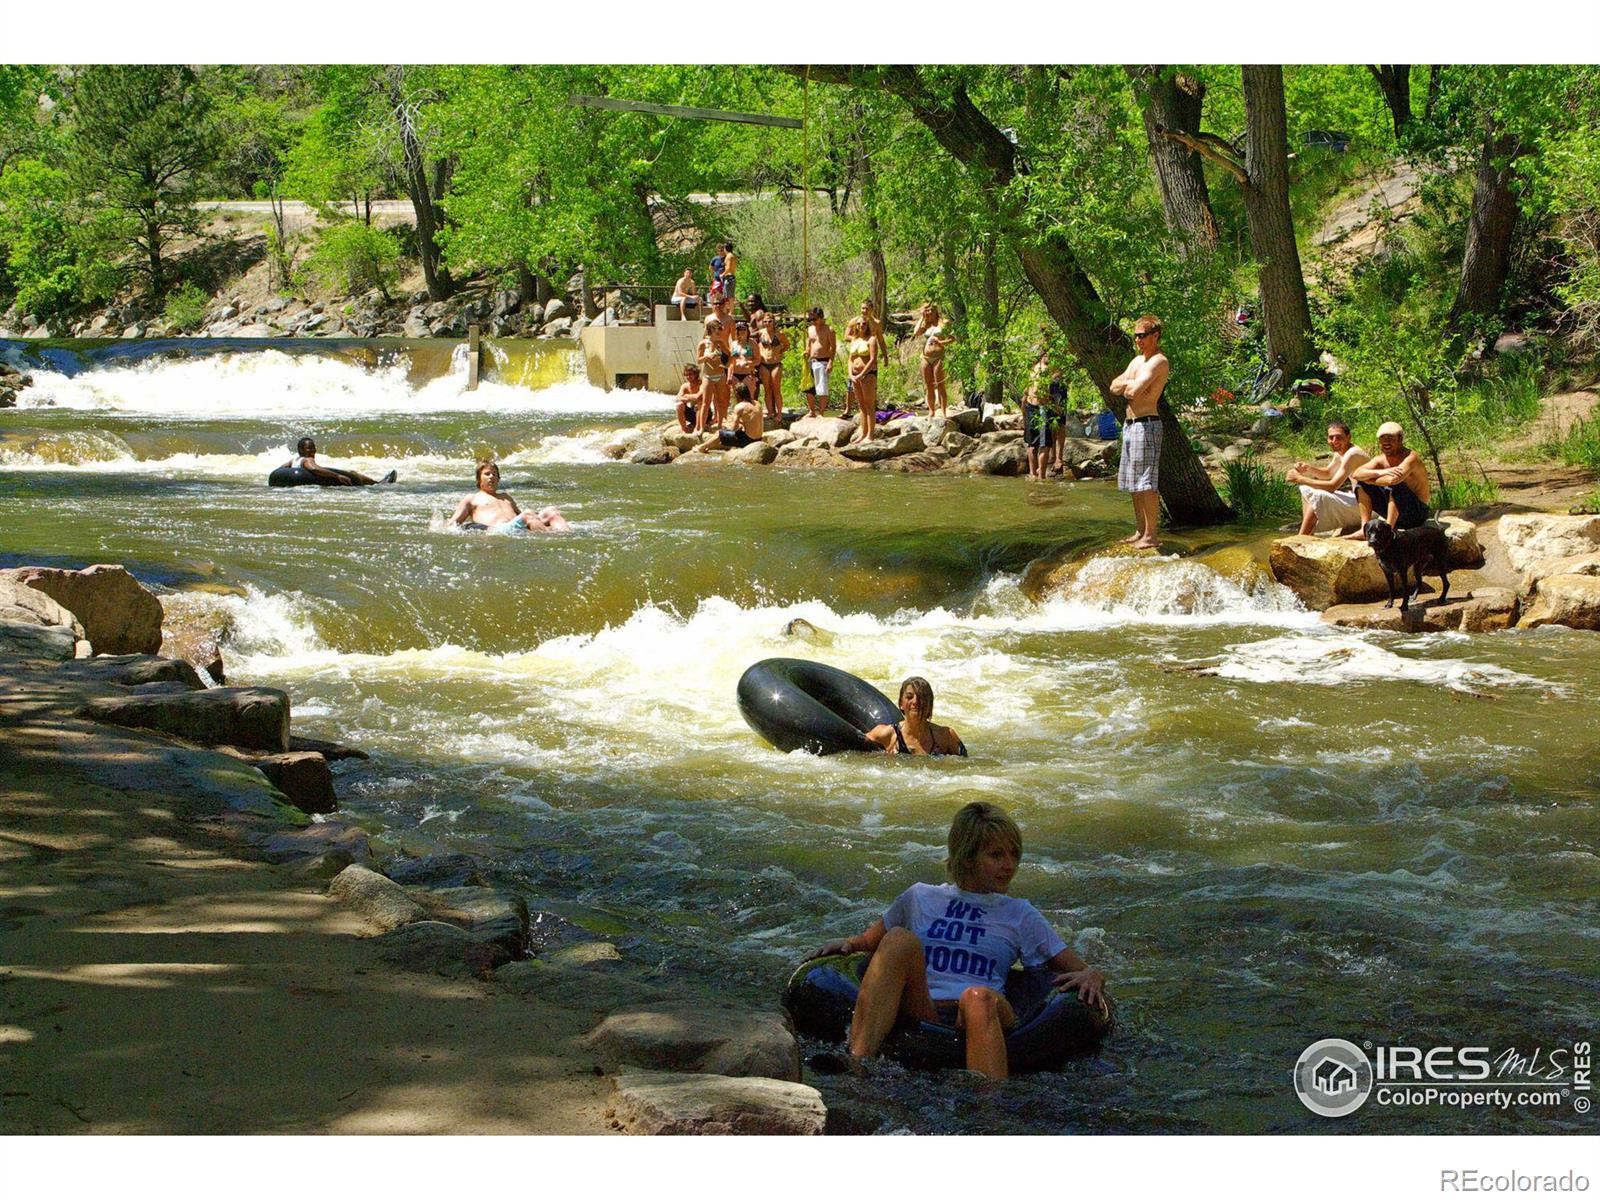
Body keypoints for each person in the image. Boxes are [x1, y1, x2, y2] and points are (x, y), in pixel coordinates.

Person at [803, 800, 1107, 1080]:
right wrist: (847, 946)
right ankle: (856, 1063)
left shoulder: (1019, 914)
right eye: (996, 855)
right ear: (968, 856)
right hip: (926, 1009)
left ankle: (989, 1113)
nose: (1009, 865)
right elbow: (869, 943)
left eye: (1014, 854)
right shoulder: (920, 896)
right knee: (898, 939)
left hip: (983, 1012)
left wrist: (1094, 975)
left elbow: (1078, 969)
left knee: (976, 998)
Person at [1108, 315, 1170, 550]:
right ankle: (1140, 530)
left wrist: (1130, 386)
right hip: (1131, 424)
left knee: (1146, 481)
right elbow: (1115, 385)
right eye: (1135, 336)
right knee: (1133, 481)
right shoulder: (1136, 362)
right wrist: (1130, 385)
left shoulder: (1158, 361)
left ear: (1155, 335)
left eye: (1142, 336)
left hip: (1147, 424)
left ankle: (1151, 535)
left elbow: (1134, 390)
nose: (1138, 340)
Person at [1286, 421, 1370, 536]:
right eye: (1331, 437)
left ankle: (1301, 537)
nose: (1334, 441)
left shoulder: (1353, 454)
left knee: (1319, 496)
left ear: (1348, 437)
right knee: (1306, 490)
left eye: (1338, 437)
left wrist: (1299, 479)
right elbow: (1328, 473)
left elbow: (1332, 486)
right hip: (1356, 500)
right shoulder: (1341, 452)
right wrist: (1308, 468)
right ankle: (1308, 534)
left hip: (1368, 507)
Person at [1348, 420, 1431, 533]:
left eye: (1390, 438)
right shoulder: (1380, 459)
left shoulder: (1411, 457)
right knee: (1362, 484)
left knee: (1395, 485)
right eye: (1383, 438)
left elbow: (1393, 480)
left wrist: (1371, 480)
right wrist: (1381, 472)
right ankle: (1365, 529)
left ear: (1400, 439)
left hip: (1416, 513)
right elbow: (1356, 473)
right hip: (1397, 513)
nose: (1386, 442)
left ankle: (1387, 530)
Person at [449, 460, 569, 533]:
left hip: (516, 528)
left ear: (498, 479)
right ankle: (550, 537)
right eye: (487, 474)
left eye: (494, 474)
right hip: (497, 530)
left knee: (551, 511)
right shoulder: (472, 498)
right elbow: (453, 523)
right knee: (528, 514)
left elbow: (520, 515)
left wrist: (542, 517)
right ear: (478, 479)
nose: (491, 477)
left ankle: (567, 536)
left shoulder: (505, 496)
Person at [865, 675, 967, 757]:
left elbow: (965, 767)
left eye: (921, 698)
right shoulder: (888, 734)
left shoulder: (946, 736)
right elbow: (856, 747)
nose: (915, 702)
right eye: (909, 697)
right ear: (901, 703)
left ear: (929, 704)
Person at [282, 437, 394, 486]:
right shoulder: (307, 460)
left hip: (302, 480)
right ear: (300, 450)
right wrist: (337, 476)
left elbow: (281, 469)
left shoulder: (293, 461)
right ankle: (378, 483)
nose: (313, 451)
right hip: (319, 478)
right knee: (352, 474)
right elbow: (314, 468)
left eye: (314, 447)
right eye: (309, 448)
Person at [691, 383, 765, 452]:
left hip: (749, 440)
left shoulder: (740, 407)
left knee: (719, 433)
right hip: (759, 438)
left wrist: (726, 427)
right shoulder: (757, 403)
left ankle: (702, 447)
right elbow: (752, 419)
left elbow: (733, 429)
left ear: (737, 394)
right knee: (727, 433)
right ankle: (707, 447)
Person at [912, 303, 952, 417]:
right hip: (925, 357)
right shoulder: (926, 325)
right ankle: (931, 411)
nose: (928, 313)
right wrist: (922, 317)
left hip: (938, 357)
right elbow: (916, 332)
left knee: (940, 384)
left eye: (930, 310)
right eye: (927, 311)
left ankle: (944, 412)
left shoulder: (944, 323)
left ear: (935, 311)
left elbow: (952, 338)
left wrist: (941, 342)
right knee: (928, 385)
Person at [846, 316, 879, 442]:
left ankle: (870, 435)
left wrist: (861, 374)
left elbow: (872, 359)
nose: (861, 326)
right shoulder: (854, 339)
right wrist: (851, 374)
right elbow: (850, 359)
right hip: (855, 376)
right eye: (859, 324)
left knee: (869, 405)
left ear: (868, 325)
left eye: (864, 324)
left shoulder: (872, 339)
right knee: (861, 405)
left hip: (868, 375)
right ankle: (863, 433)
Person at [697, 317, 731, 429]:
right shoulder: (703, 344)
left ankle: (720, 424)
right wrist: (706, 357)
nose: (719, 334)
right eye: (717, 332)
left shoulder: (720, 343)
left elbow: (731, 355)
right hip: (708, 376)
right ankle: (701, 427)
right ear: (711, 331)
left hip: (720, 375)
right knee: (705, 403)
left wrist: (726, 366)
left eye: (720, 331)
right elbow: (698, 360)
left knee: (721, 401)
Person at [803, 307, 836, 417]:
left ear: (821, 318)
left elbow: (833, 347)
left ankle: (821, 412)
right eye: (811, 319)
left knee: (822, 388)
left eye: (815, 319)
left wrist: (831, 362)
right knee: (808, 388)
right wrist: (807, 351)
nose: (812, 321)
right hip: (811, 361)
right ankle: (811, 411)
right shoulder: (810, 329)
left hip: (823, 361)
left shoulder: (829, 330)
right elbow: (810, 343)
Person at [756, 315, 790, 420]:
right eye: (765, 321)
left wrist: (780, 351)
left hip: (776, 363)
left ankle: (779, 413)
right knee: (767, 389)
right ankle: (770, 412)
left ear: (773, 322)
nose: (767, 323)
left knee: (776, 388)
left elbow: (787, 345)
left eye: (769, 321)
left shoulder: (780, 334)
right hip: (764, 364)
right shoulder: (760, 333)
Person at [1021, 379, 1052, 481]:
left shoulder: (1032, 370)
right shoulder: (1045, 370)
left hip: (1029, 406)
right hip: (1039, 408)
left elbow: (1025, 395)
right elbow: (1042, 397)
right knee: (1044, 445)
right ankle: (1041, 477)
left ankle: (1033, 474)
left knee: (1032, 444)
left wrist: (1024, 413)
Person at [728, 320, 759, 410]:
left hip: (748, 374)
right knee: (738, 397)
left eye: (744, 329)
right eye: (739, 329)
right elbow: (731, 361)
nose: (742, 331)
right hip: (735, 374)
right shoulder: (733, 344)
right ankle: (740, 418)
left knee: (749, 397)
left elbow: (758, 360)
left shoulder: (752, 343)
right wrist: (729, 376)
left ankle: (751, 416)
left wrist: (748, 362)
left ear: (747, 330)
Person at [675, 364, 705, 434]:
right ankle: (684, 429)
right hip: (692, 414)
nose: (688, 377)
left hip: (704, 414)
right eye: (686, 375)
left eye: (690, 374)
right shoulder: (685, 386)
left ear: (696, 374)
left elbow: (698, 397)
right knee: (679, 405)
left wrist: (685, 396)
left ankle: (697, 428)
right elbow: (678, 398)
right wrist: (691, 398)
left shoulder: (702, 384)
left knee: (699, 403)